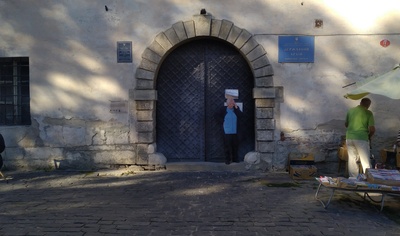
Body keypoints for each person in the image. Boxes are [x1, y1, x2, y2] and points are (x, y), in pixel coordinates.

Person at [345, 97, 375, 177]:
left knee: (352, 160)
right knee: (365, 160)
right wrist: (369, 136)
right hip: (361, 138)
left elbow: (346, 124)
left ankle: (353, 179)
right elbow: (372, 129)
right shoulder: (368, 113)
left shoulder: (350, 110)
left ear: (360, 103)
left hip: (349, 137)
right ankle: (368, 178)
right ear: (368, 105)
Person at [218, 97, 243, 165]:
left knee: (235, 146)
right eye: (231, 103)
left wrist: (236, 108)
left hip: (235, 131)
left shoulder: (235, 109)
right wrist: (222, 122)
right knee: (227, 147)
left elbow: (241, 116)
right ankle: (227, 160)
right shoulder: (223, 109)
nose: (233, 104)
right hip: (227, 131)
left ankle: (235, 159)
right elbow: (217, 116)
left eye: (233, 102)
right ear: (228, 104)